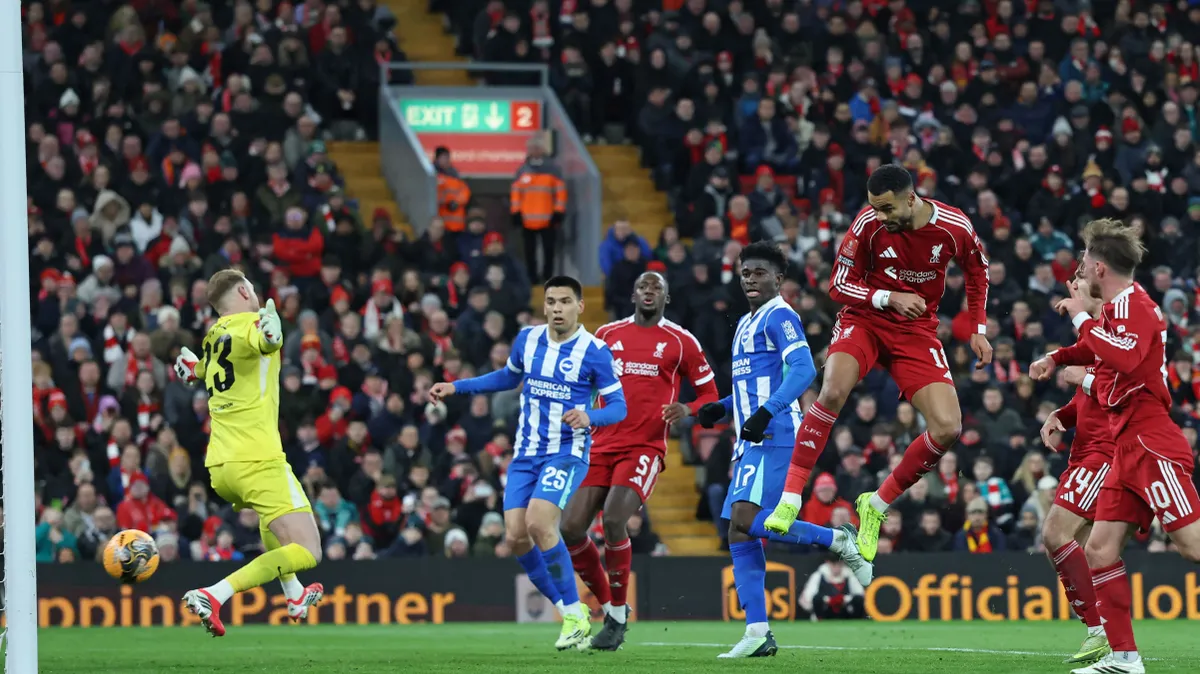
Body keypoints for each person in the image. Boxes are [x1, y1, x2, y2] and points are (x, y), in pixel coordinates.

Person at [764, 164, 994, 562]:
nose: (880, 216)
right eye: (875, 208)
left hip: (916, 330)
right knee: (833, 390)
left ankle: (876, 503)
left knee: (947, 427)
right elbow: (838, 283)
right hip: (865, 319)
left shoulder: (953, 226)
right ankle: (790, 496)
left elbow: (978, 270)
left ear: (911, 198)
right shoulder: (869, 222)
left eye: (887, 209)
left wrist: (978, 327)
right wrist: (888, 298)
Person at [1029, 219, 1200, 674]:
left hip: (1150, 441)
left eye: (1084, 261)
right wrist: (1055, 357)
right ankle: (1125, 659)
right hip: (1124, 447)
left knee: (1192, 546)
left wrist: (1082, 313)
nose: (1080, 269)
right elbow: (1095, 350)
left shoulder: (1138, 306)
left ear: (1099, 267)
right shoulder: (1116, 308)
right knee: (1100, 550)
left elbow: (1121, 356)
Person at [428, 275, 627, 650]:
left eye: (565, 301)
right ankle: (571, 610)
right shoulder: (528, 339)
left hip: (566, 452)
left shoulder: (595, 351)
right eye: (551, 301)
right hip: (525, 455)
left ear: (580, 307)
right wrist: (458, 386)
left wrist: (590, 417)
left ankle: (572, 612)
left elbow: (619, 407)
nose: (556, 308)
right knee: (516, 537)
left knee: (539, 522)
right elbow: (507, 377)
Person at [695, 242, 873, 659]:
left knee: (749, 518)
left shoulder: (782, 315)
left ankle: (839, 540)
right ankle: (757, 632)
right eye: (744, 273)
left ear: (778, 279)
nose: (750, 279)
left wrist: (768, 411)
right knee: (739, 530)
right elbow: (749, 384)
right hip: (750, 438)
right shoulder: (745, 323)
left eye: (759, 273)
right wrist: (719, 408)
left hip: (775, 434)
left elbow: (805, 369)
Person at [561, 270, 720, 651]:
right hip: (601, 445)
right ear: (633, 295)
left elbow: (710, 394)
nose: (649, 292)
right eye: (643, 287)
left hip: (644, 448)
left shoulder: (681, 341)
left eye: (657, 288)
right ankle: (615, 611)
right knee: (570, 528)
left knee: (615, 519)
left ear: (666, 298)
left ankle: (615, 618)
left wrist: (688, 408)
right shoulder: (607, 335)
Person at [173, 269, 324, 637]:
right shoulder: (251, 325)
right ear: (243, 291)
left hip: (221, 467)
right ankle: (215, 593)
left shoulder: (213, 336)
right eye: (252, 288)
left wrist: (192, 370)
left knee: (269, 518)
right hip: (258, 458)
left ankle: (294, 594)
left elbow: (206, 371)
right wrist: (272, 333)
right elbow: (265, 341)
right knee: (309, 550)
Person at [1036, 267, 1116, 666]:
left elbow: (1126, 392)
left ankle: (1099, 629)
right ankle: (1108, 635)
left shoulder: (1113, 332)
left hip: (1105, 453)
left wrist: (1080, 379)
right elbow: (1088, 401)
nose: (1072, 296)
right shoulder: (1090, 339)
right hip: (1084, 451)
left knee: (1055, 532)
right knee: (1077, 550)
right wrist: (1058, 416)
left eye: (1078, 289)